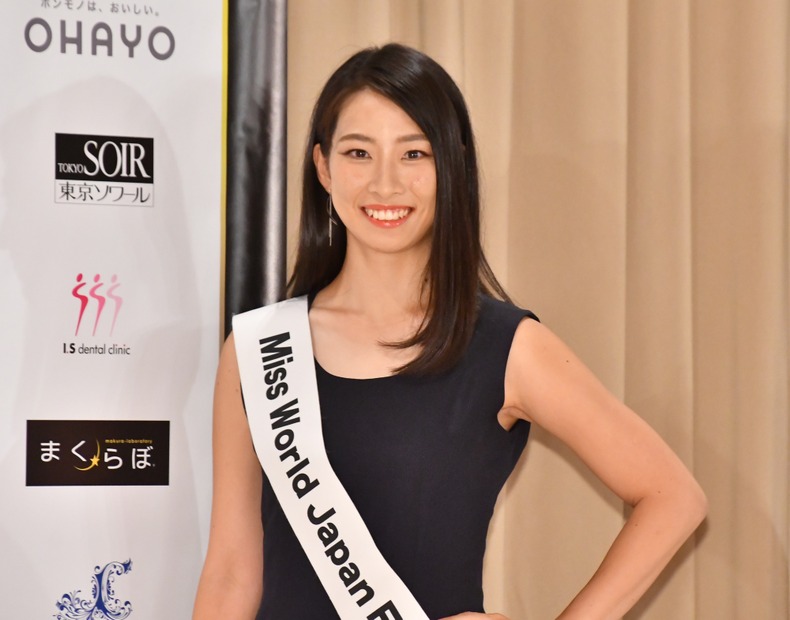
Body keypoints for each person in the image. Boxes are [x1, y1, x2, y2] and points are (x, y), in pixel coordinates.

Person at [193, 43, 707, 619]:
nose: (385, 184)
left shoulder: (506, 347)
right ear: (323, 167)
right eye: (359, 152)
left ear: (451, 166)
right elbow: (231, 573)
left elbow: (673, 497)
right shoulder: (257, 349)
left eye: (414, 153)